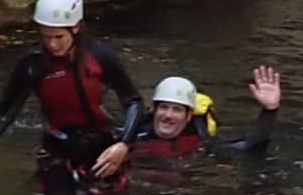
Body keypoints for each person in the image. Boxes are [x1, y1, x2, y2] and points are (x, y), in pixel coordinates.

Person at [0, 0, 145, 195]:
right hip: (57, 151)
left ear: (76, 29)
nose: (53, 45)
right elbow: (5, 112)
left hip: (103, 148)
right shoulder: (31, 65)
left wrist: (124, 144)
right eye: (46, 37)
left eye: (59, 37)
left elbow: (134, 101)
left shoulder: (99, 56)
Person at [119, 65, 284, 172]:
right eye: (163, 107)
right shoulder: (131, 140)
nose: (168, 115)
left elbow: (250, 148)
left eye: (177, 109)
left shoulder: (201, 142)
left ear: (188, 116)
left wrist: (270, 110)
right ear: (154, 111)